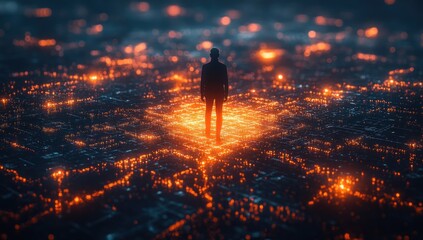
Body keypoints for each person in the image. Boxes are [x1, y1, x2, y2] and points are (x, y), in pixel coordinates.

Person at [200, 48, 228, 144]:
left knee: (208, 112)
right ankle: (217, 136)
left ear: (210, 55)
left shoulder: (206, 67)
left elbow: (202, 81)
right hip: (219, 92)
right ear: (218, 55)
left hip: (209, 92)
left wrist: (201, 93)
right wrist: (226, 93)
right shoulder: (222, 67)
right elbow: (226, 82)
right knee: (219, 114)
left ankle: (208, 132)